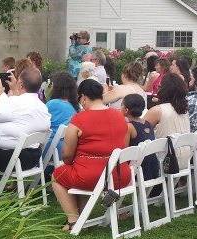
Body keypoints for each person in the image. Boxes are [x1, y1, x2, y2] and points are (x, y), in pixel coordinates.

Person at [52, 79, 131, 230]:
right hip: (120, 175)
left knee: (57, 176)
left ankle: (73, 220)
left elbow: (67, 155)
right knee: (78, 172)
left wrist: (75, 162)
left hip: (91, 176)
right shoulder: (120, 116)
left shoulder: (79, 119)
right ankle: (81, 215)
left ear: (83, 97)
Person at [0, 67, 51, 176]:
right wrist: (15, 90)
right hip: (35, 156)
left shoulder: (15, 103)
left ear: (21, 84)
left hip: (13, 159)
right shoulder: (43, 107)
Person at [143, 73, 191, 168]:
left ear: (164, 89)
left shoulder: (158, 110)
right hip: (185, 159)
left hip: (165, 160)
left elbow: (139, 130)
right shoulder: (185, 110)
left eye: (160, 86)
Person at [123, 93, 158, 182]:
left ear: (126, 110)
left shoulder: (129, 127)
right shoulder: (148, 124)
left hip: (138, 170)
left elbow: (125, 152)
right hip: (152, 167)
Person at [44, 72, 79, 158]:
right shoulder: (74, 106)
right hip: (68, 148)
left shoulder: (52, 104)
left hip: (52, 149)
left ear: (56, 88)